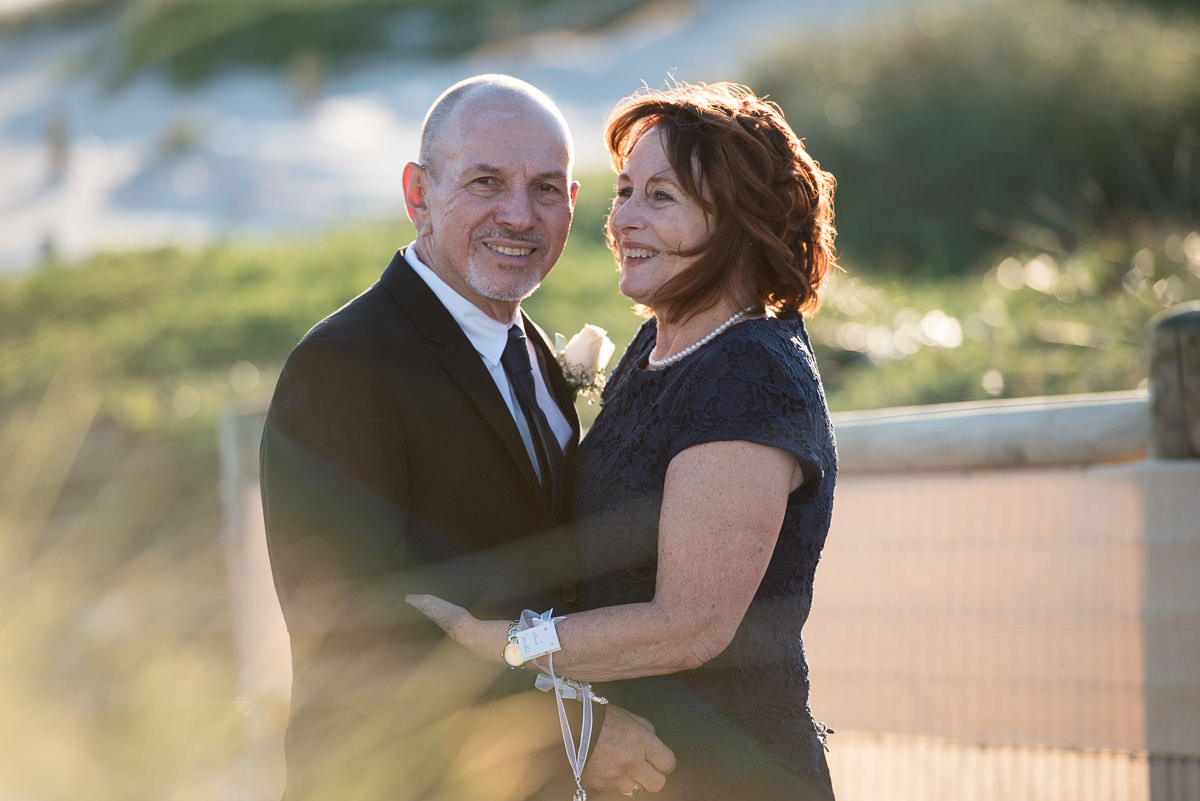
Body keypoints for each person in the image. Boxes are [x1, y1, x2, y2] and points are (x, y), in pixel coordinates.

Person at [409, 81, 840, 800]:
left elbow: (690, 625)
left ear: (738, 221)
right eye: (625, 191)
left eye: (660, 198)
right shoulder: (657, 345)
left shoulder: (749, 371)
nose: (623, 222)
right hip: (642, 768)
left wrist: (513, 646)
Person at [259, 74, 676, 801]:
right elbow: (350, 622)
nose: (519, 215)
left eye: (546, 188)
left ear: (571, 206)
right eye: (486, 182)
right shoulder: (341, 367)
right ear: (418, 193)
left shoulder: (538, 359)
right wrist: (569, 729)